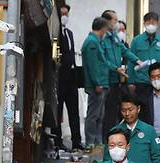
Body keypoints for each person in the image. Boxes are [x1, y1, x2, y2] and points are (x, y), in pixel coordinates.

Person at [101, 10, 140, 138]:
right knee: (105, 113)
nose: (117, 23)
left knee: (113, 112)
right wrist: (115, 68)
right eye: (115, 20)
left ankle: (113, 136)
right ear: (107, 21)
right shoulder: (102, 38)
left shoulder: (115, 36)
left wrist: (138, 60)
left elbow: (124, 51)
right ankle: (104, 139)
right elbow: (102, 60)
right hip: (106, 80)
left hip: (116, 80)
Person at [55, 4, 84, 152]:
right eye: (62, 14)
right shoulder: (56, 32)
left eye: (66, 14)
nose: (64, 17)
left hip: (72, 78)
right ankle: (57, 140)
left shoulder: (70, 33)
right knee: (58, 111)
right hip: (60, 78)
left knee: (74, 112)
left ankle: (77, 141)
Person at [128, 12, 160, 109]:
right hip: (140, 81)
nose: (151, 25)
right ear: (144, 24)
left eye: (153, 23)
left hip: (157, 82)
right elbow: (130, 61)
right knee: (141, 109)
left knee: (156, 109)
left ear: (157, 24)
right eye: (148, 23)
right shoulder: (137, 40)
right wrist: (131, 82)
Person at [82, 17, 110, 149]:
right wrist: (97, 83)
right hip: (97, 85)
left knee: (101, 114)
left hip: (102, 83)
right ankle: (90, 141)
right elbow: (93, 66)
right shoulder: (92, 42)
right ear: (103, 28)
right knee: (93, 114)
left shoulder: (97, 42)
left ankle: (98, 140)